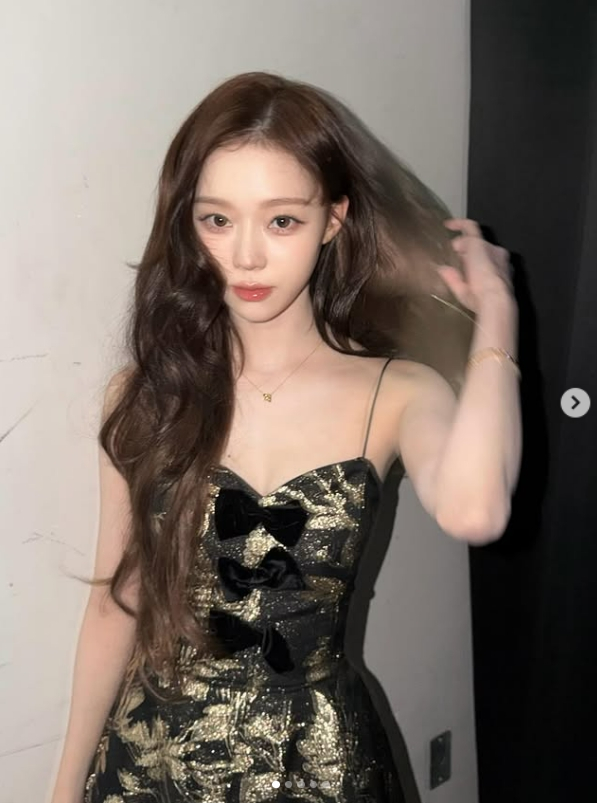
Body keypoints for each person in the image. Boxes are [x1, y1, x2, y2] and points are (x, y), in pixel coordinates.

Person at [49, 71, 521, 803]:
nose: (245, 256)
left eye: (281, 222)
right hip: (154, 763)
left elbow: (476, 510)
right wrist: (62, 786)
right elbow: (119, 601)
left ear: (333, 219)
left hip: (318, 768)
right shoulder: (145, 394)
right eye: (216, 220)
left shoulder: (397, 391)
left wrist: (497, 315)